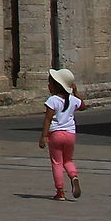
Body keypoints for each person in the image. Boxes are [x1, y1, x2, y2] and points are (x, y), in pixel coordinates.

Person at [41, 67, 84, 200]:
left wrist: (43, 136)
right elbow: (83, 106)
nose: (48, 86)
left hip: (56, 135)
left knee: (57, 162)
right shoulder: (72, 99)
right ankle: (74, 176)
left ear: (56, 86)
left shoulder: (52, 100)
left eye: (50, 83)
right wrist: (76, 93)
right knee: (68, 160)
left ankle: (60, 191)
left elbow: (48, 119)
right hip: (70, 134)